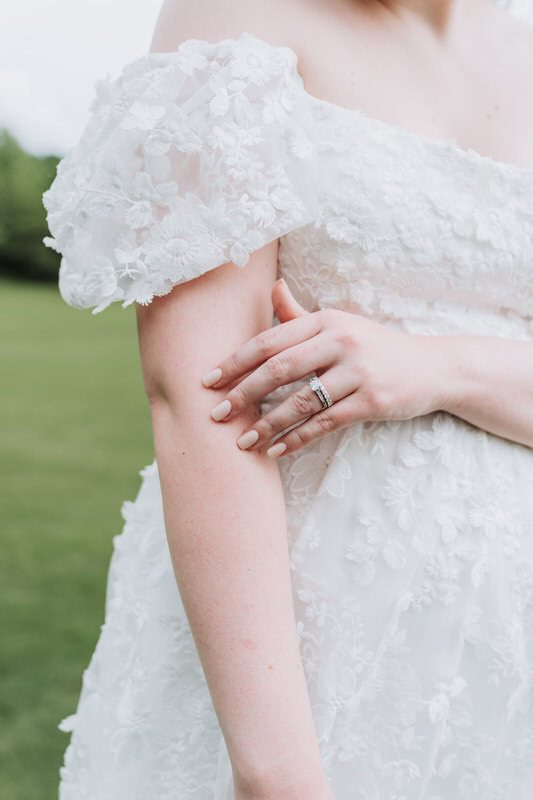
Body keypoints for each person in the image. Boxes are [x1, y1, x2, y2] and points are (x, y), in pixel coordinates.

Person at [42, 0, 533, 797]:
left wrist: (443, 367)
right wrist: (276, 772)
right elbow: (199, 399)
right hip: (302, 639)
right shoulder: (236, 18)